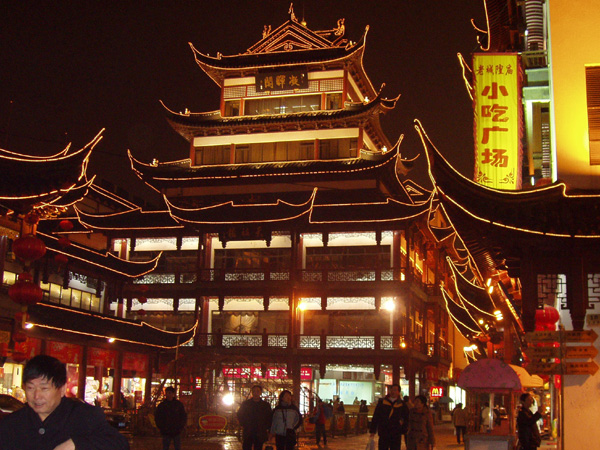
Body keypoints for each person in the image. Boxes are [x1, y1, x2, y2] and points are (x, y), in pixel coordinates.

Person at [0, 354, 129, 450]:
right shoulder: (11, 425)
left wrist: (76, 444)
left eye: (44, 388)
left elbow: (119, 444)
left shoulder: (85, 417)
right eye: (30, 388)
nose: (36, 396)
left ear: (61, 389)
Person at [369, 384, 409, 450]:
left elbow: (406, 418)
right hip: (384, 431)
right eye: (391, 390)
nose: (393, 392)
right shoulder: (382, 402)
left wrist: (403, 429)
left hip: (396, 432)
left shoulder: (402, 404)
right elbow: (376, 416)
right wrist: (373, 430)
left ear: (398, 392)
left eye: (395, 390)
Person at [237, 385, 272, 450]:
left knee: (258, 447)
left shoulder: (265, 405)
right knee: (247, 446)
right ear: (252, 392)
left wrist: (267, 427)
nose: (256, 393)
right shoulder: (246, 404)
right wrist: (243, 424)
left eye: (257, 391)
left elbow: (269, 417)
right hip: (248, 430)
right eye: (254, 391)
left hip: (260, 431)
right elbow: (240, 414)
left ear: (260, 392)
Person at [155, 386, 187, 450]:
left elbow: (183, 416)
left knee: (176, 446)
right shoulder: (162, 405)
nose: (168, 395)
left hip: (176, 430)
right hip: (166, 430)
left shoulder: (178, 405)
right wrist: (161, 427)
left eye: (169, 393)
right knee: (166, 446)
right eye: (167, 393)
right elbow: (158, 417)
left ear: (173, 394)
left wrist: (180, 427)